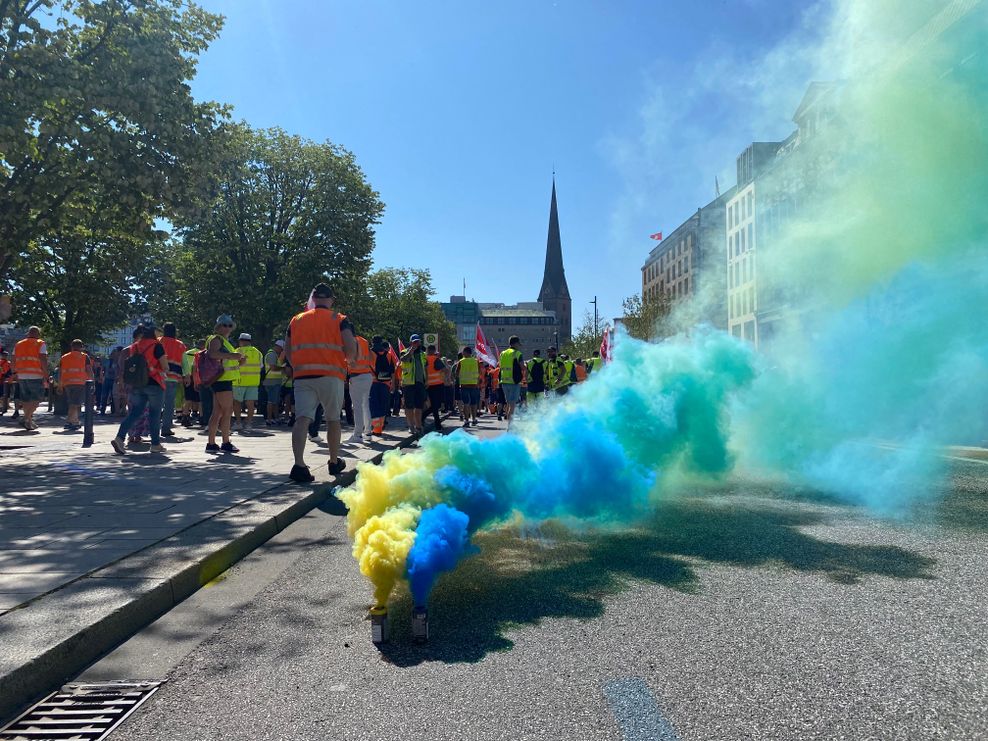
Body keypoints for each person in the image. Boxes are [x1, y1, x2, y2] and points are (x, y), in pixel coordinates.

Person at [285, 283, 356, 483]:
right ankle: (333, 462)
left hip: (303, 377)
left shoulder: (296, 320)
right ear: (331, 300)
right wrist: (347, 361)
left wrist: (298, 366)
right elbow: (350, 349)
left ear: (313, 299)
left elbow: (288, 350)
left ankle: (299, 465)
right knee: (333, 419)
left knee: (302, 419)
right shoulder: (339, 319)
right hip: (331, 375)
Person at [110, 325, 169, 454]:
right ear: (154, 333)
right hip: (154, 383)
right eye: (159, 332)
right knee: (154, 414)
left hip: (137, 384)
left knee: (135, 413)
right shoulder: (157, 345)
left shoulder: (135, 346)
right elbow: (165, 366)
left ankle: (119, 438)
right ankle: (155, 444)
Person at [205, 315, 245, 453]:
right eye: (224, 325)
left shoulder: (223, 340)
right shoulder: (216, 339)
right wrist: (233, 356)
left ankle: (211, 443)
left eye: (229, 325)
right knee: (227, 411)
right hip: (222, 379)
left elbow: (222, 358)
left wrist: (238, 360)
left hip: (221, 379)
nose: (227, 327)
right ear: (218, 326)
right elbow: (212, 354)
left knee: (218, 412)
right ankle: (225, 442)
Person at [13, 326, 48, 430]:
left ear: (28, 333)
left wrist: (14, 372)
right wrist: (46, 374)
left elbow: (13, 359)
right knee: (38, 398)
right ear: (38, 334)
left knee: (26, 399)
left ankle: (28, 421)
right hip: (35, 374)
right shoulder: (40, 343)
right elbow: (43, 359)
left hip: (21, 374)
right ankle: (26, 418)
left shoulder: (19, 344)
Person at [159, 323, 187, 437]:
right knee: (169, 405)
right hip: (173, 378)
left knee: (156, 404)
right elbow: (185, 362)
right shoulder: (180, 345)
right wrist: (187, 376)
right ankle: (166, 428)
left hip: (158, 377)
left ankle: (152, 428)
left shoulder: (158, 341)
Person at [58, 339, 93, 429]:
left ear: (72, 347)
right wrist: (92, 382)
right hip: (80, 382)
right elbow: (89, 370)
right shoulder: (85, 357)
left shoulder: (64, 357)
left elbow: (60, 372)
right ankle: (69, 421)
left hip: (67, 383)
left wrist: (60, 385)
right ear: (81, 347)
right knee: (75, 403)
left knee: (72, 403)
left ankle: (75, 421)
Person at [232, 332, 263, 431]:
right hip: (253, 382)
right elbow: (261, 366)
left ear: (240, 341)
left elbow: (233, 366)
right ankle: (249, 423)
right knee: (251, 404)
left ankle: (238, 423)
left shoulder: (237, 351)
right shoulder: (257, 352)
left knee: (237, 403)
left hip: (239, 382)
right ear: (250, 341)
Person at [347, 334, 374, 444]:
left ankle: (357, 434)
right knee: (365, 405)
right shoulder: (364, 341)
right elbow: (371, 358)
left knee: (357, 406)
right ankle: (368, 433)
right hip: (367, 375)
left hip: (356, 376)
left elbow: (351, 360)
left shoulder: (350, 341)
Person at [400, 334, 427, 435]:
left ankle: (418, 426)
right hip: (408, 383)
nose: (416, 343)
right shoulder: (404, 351)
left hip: (420, 383)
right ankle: (410, 426)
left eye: (418, 341)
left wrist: (426, 380)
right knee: (409, 406)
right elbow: (403, 359)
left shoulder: (422, 354)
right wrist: (410, 351)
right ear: (411, 342)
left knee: (419, 407)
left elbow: (426, 368)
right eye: (414, 342)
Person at [368, 336, 395, 435]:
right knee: (383, 405)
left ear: (372, 342)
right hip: (386, 383)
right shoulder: (389, 355)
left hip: (372, 382)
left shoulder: (369, 353)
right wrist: (393, 384)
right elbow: (392, 371)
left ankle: (376, 429)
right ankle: (381, 426)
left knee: (374, 405)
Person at [498, 336, 524, 422]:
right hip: (514, 381)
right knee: (513, 405)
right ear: (515, 343)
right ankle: (510, 426)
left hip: (504, 381)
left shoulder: (503, 353)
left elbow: (500, 366)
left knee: (509, 402)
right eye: (518, 344)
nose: (519, 346)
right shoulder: (517, 353)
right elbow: (522, 367)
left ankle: (508, 420)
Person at [424, 344, 447, 431]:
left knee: (434, 406)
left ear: (427, 350)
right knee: (436, 406)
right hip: (438, 384)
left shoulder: (424, 359)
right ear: (433, 351)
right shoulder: (436, 359)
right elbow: (445, 370)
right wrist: (443, 377)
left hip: (429, 385)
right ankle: (437, 425)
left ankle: (424, 418)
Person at [456, 346, 481, 426]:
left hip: (464, 385)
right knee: (474, 403)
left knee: (466, 403)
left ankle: (466, 421)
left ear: (466, 352)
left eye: (463, 352)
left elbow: (456, 373)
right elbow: (479, 372)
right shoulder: (476, 361)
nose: (462, 353)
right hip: (474, 385)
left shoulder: (461, 361)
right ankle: (474, 419)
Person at [263, 340, 286, 425]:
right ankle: (269, 418)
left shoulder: (275, 355)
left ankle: (275, 418)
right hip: (271, 382)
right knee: (271, 401)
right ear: (278, 347)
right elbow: (273, 367)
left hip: (275, 381)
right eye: (282, 349)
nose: (282, 351)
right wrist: (283, 368)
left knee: (275, 401)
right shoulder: (271, 354)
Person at [180, 340, 202, 427]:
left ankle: (185, 416)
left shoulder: (188, 353)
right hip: (198, 378)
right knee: (200, 399)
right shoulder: (203, 353)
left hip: (187, 377)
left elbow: (183, 364)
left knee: (188, 398)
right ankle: (201, 417)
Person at [0, 350, 11, 416]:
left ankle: (5, 406)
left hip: (5, 380)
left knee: (6, 393)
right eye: (4, 355)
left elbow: (10, 372)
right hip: (2, 380)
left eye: (6, 355)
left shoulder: (9, 363)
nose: (5, 356)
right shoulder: (6, 363)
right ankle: (3, 406)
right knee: (3, 394)